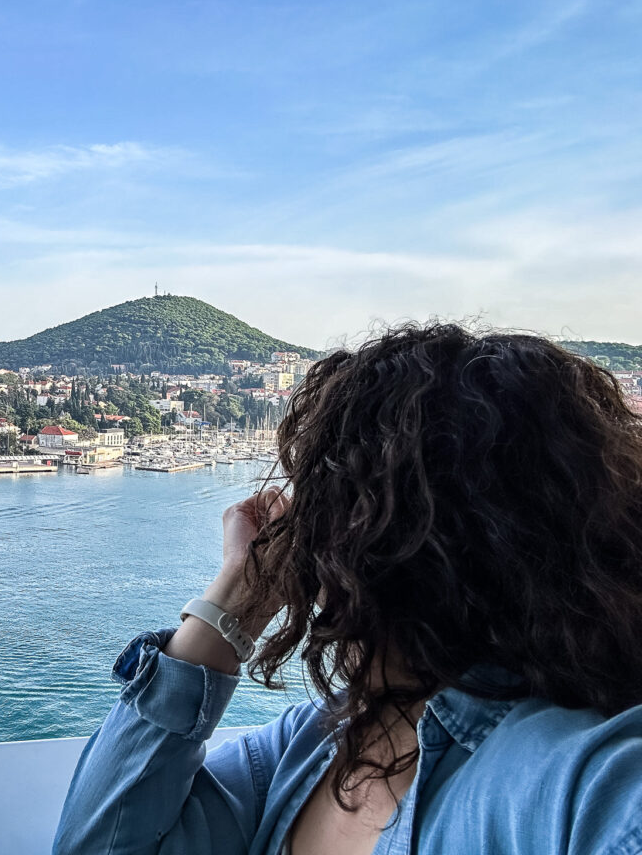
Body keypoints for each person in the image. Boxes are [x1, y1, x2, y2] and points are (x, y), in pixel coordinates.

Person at [53, 322, 642, 855]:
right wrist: (233, 601)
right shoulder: (308, 747)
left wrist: (235, 601)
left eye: (315, 495)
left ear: (362, 534)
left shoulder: (586, 786)